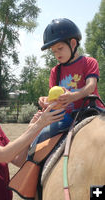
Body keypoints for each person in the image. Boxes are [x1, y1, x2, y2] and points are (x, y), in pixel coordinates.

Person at [29, 18, 105, 149]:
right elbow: (55, 100)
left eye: (60, 48)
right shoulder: (55, 71)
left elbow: (90, 87)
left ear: (73, 43)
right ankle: (33, 168)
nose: (57, 54)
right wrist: (46, 101)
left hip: (90, 110)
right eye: (54, 51)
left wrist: (72, 96)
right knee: (40, 139)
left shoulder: (89, 62)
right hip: (65, 117)